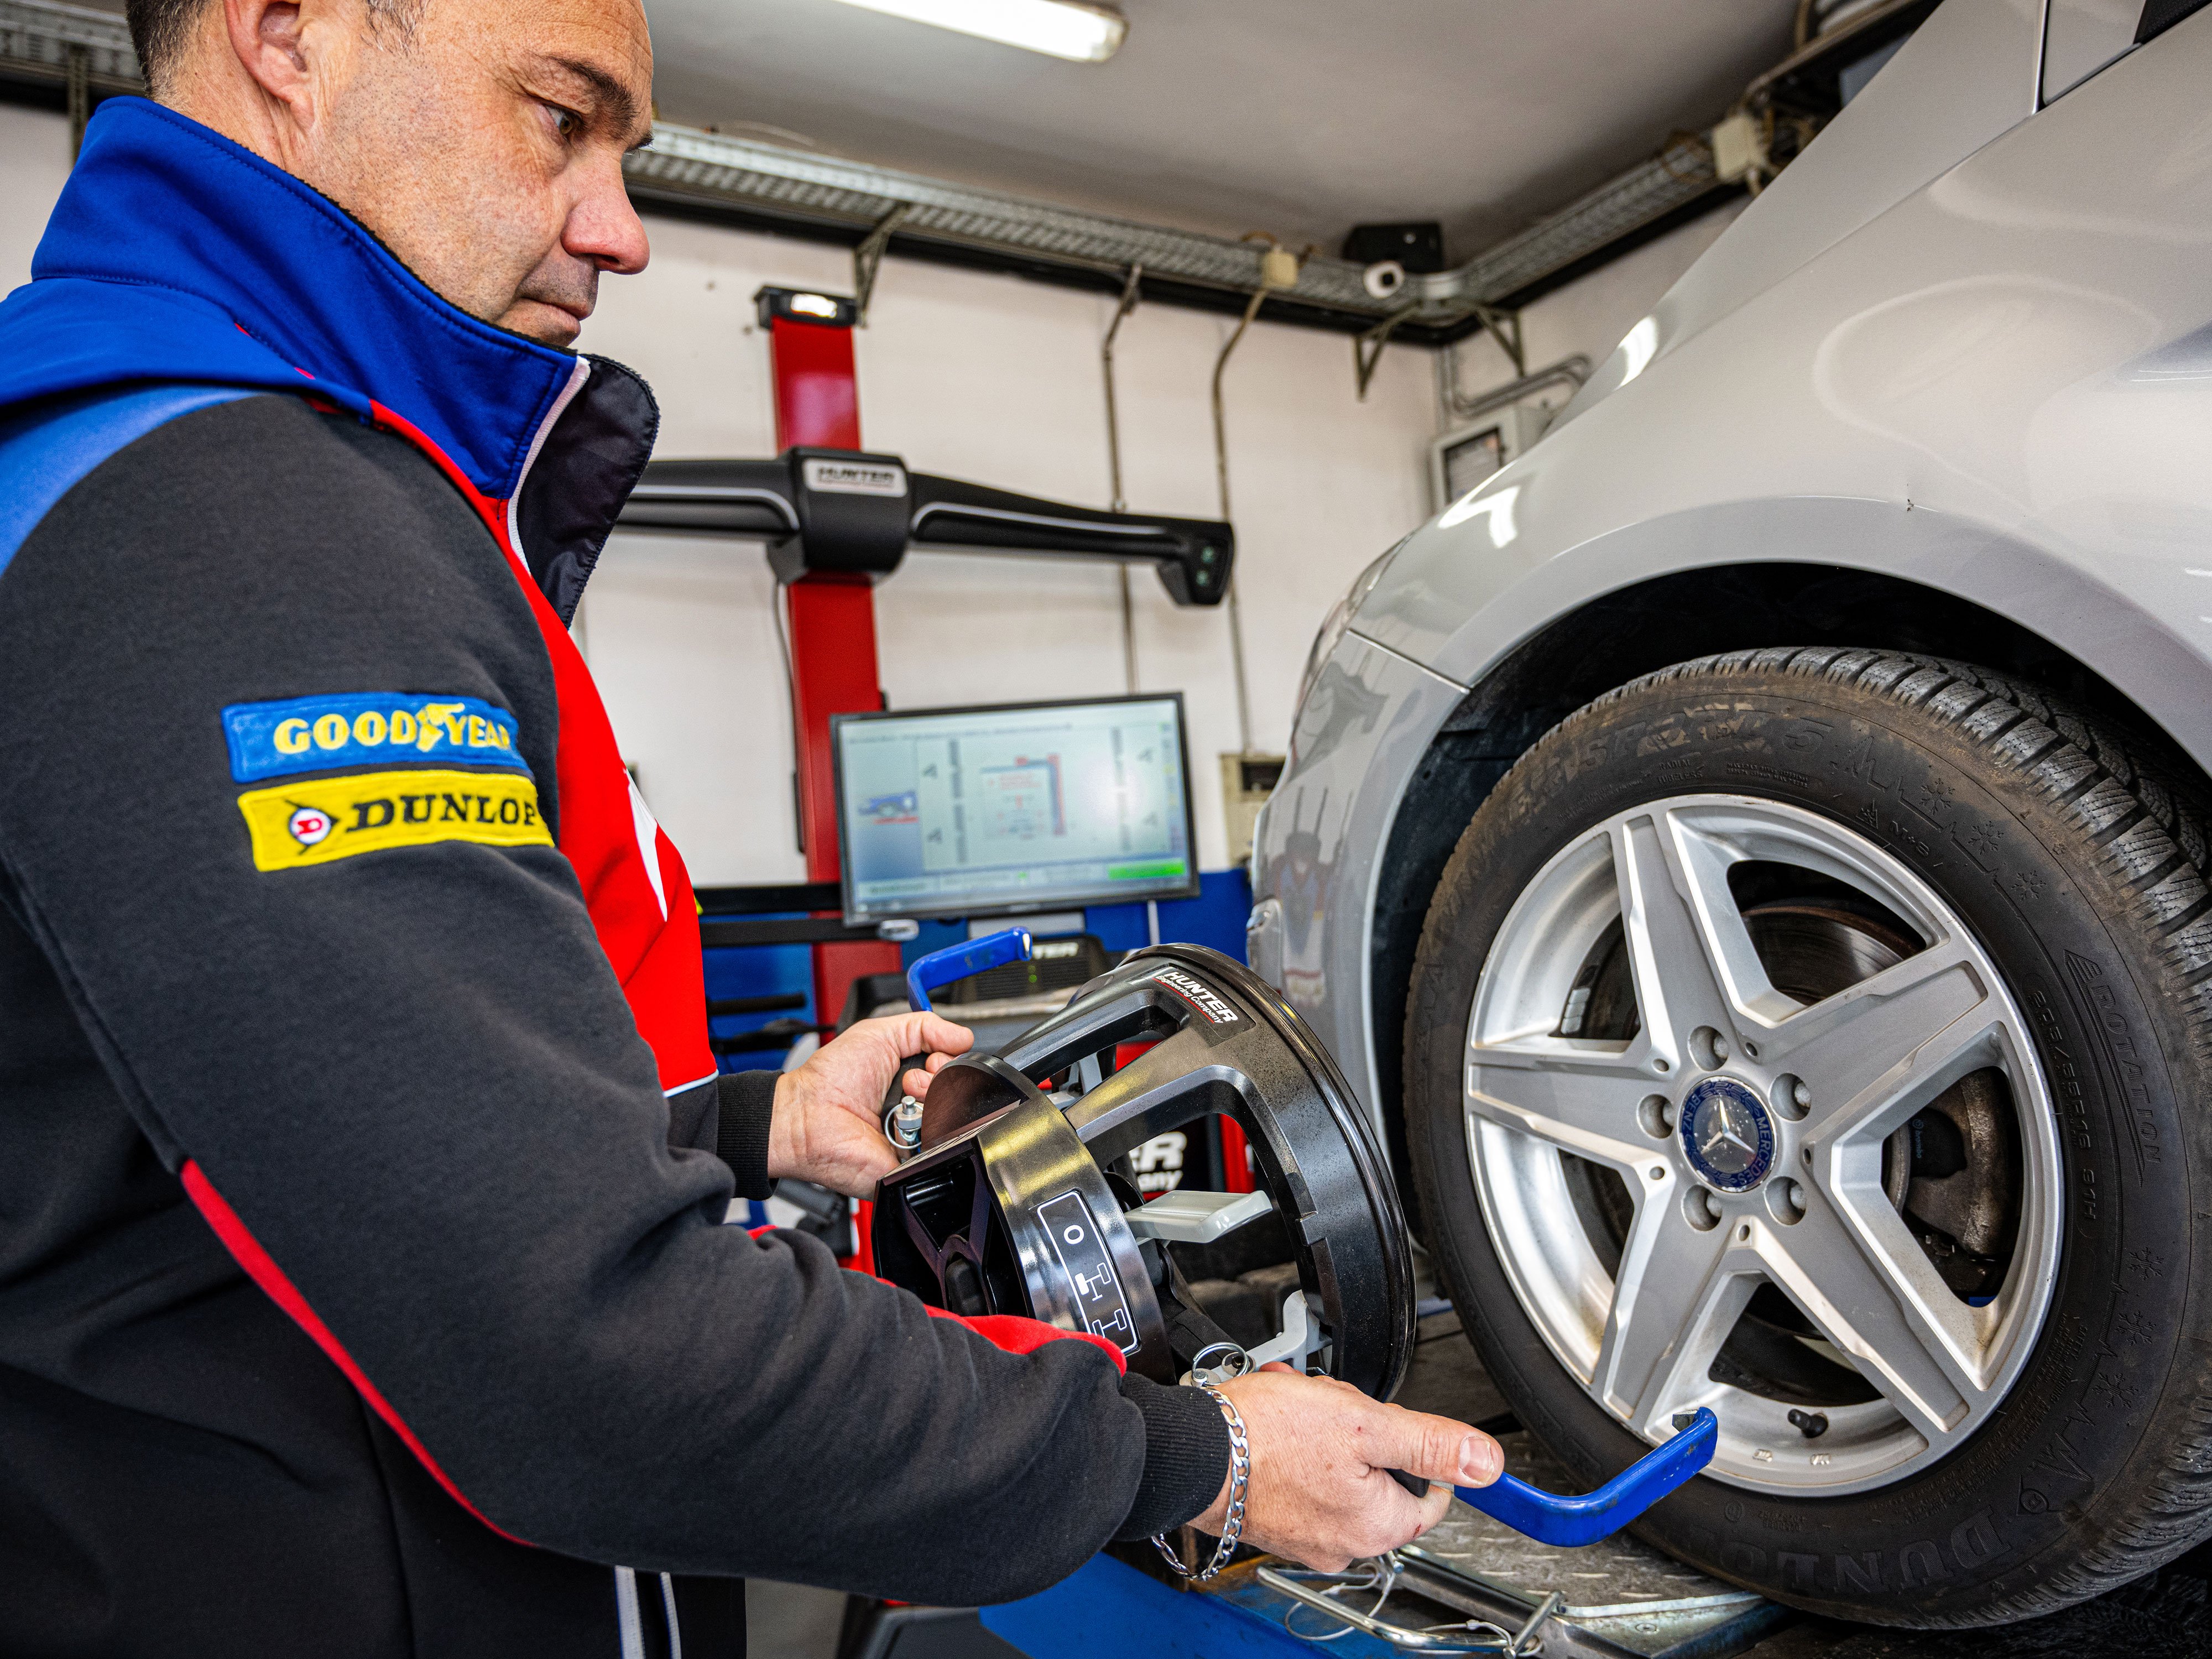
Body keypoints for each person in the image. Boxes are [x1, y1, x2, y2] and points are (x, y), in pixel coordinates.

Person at [0, 1, 1503, 1653]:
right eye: (559, 116)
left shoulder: (162, 472)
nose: (620, 228)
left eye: (626, 151)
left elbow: (267, 1154)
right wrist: (1194, 1454)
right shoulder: (239, 533)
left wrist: (741, 1125)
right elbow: (578, 1351)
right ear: (291, 34)